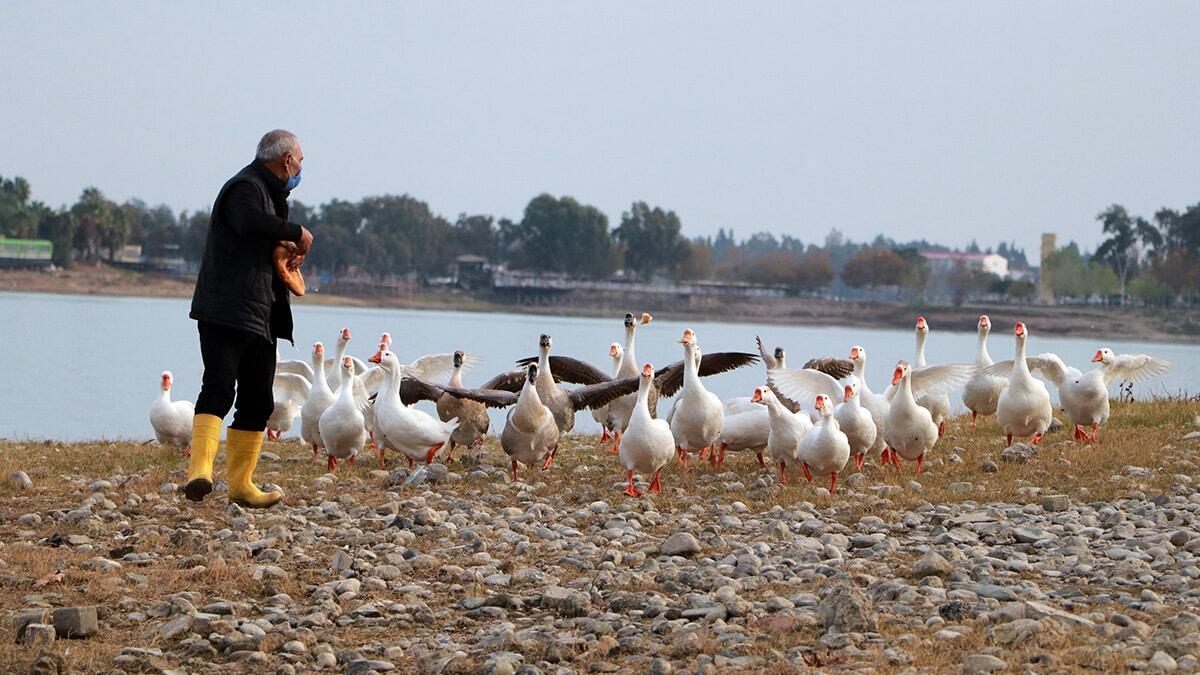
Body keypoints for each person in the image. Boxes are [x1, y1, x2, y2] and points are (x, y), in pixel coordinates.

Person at [184, 129, 314, 508]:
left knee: (258, 402)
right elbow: (248, 222)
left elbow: (261, 243)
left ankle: (242, 485)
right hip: (225, 309)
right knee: (220, 387)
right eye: (301, 160)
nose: (301, 168)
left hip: (262, 313)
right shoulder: (244, 187)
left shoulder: (274, 197)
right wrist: (297, 233)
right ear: (286, 160)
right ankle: (200, 473)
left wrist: (288, 251)